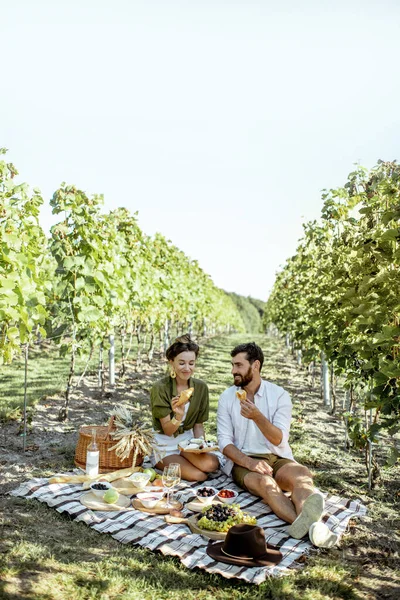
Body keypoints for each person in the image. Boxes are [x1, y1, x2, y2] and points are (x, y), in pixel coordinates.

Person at [217, 341, 333, 545]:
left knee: (302, 475)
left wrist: (257, 416)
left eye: (238, 365)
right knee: (266, 484)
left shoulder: (279, 395)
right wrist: (250, 463)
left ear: (256, 366)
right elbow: (224, 444)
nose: (233, 371)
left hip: (276, 456)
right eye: (233, 365)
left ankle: (308, 525)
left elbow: (279, 439)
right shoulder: (227, 398)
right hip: (244, 461)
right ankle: (313, 528)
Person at [150, 334, 219, 481]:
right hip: (165, 445)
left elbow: (198, 426)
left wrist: (200, 447)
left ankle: (187, 458)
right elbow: (168, 431)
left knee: (212, 465)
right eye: (181, 363)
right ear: (171, 362)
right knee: (199, 476)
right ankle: (164, 461)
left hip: (187, 444)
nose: (187, 368)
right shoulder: (160, 388)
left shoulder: (201, 388)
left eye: (191, 363)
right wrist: (179, 416)